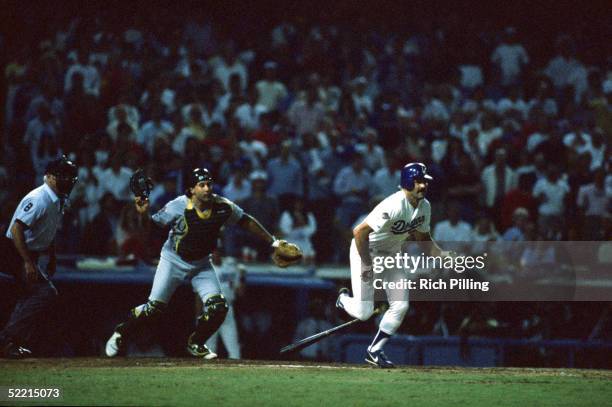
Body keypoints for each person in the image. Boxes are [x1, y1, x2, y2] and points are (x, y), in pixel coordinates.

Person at [105, 168, 290, 359]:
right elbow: (152, 228)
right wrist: (143, 214)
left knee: (219, 307)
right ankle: (121, 332)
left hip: (201, 263)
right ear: (191, 189)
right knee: (153, 310)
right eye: (202, 185)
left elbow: (246, 221)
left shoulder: (223, 206)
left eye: (209, 184)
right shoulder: (178, 205)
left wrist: (274, 242)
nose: (207, 188)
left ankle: (196, 342)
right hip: (173, 260)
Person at [336, 163, 445, 368]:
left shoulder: (425, 207)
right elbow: (359, 232)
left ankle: (374, 351)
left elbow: (423, 239)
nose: (423, 185)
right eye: (419, 181)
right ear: (407, 182)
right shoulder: (393, 205)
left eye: (425, 181)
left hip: (392, 255)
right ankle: (343, 299)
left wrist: (443, 255)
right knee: (363, 313)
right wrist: (367, 266)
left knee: (401, 305)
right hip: (366, 251)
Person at [0, 156, 78, 358]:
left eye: (71, 177)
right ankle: (6, 339)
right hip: (12, 250)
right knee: (44, 293)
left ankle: (11, 343)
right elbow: (16, 229)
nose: (68, 180)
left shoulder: (58, 197)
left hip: (28, 251)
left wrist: (51, 256)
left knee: (29, 294)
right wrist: (27, 262)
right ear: (49, 177)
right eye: (63, 176)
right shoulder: (39, 198)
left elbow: (47, 229)